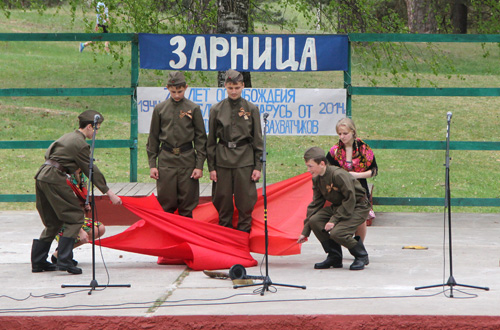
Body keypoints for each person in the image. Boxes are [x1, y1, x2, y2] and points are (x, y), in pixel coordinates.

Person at [31, 110, 121, 275]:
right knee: (75, 217)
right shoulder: (80, 144)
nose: (96, 133)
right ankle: (64, 260)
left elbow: (49, 154)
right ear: (89, 127)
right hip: (55, 177)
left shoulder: (67, 137)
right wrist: (109, 192)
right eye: (96, 129)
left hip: (42, 176)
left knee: (53, 222)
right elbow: (90, 169)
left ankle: (38, 261)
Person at [207, 69, 263, 233]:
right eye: (230, 87)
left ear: (243, 86)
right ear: (225, 86)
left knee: (245, 202)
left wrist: (257, 166)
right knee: (222, 201)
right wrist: (211, 167)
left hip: (244, 160)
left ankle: (243, 240)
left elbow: (257, 139)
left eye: (237, 87)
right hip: (223, 159)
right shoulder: (216, 109)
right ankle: (225, 241)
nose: (233, 91)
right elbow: (210, 141)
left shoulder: (251, 109)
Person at [297, 147, 371, 271]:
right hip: (340, 206)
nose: (308, 170)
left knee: (338, 233)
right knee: (315, 220)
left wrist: (334, 220)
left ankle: (361, 256)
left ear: (322, 163)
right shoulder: (317, 178)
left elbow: (350, 199)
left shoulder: (338, 175)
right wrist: (305, 231)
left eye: (310, 166)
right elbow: (316, 204)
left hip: (358, 206)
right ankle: (334, 256)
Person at [147, 71, 207, 218]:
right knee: (166, 203)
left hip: (187, 160)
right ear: (167, 88)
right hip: (166, 161)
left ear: (186, 88)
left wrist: (199, 166)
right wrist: (152, 164)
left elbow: (201, 139)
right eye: (173, 91)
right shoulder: (160, 109)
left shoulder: (193, 108)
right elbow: (153, 138)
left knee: (188, 204)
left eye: (180, 91)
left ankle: (186, 237)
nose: (177, 95)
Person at [326, 118, 378, 242]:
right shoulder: (335, 151)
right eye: (340, 134)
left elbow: (373, 170)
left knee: (360, 219)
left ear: (353, 132)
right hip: (342, 189)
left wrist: (356, 175)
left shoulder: (364, 148)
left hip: (359, 187)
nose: (342, 137)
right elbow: (327, 169)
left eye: (345, 133)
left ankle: (359, 245)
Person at [51, 169, 106, 266]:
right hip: (63, 217)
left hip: (76, 215)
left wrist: (86, 203)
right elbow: (64, 208)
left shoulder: (82, 176)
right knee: (91, 231)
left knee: (100, 228)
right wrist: (80, 230)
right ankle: (62, 254)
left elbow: (82, 195)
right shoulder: (63, 178)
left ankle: (61, 252)